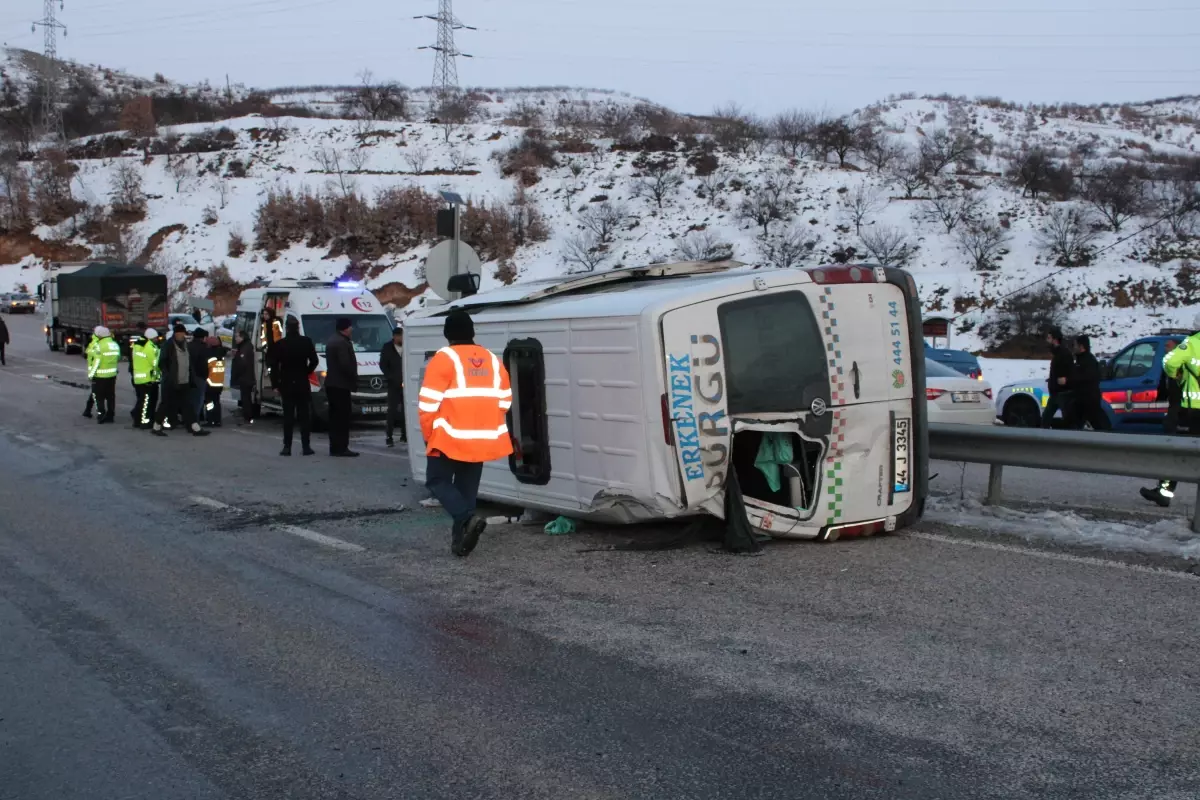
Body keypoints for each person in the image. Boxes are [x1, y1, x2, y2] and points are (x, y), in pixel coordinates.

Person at [419, 309, 513, 557]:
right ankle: (460, 543)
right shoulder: (492, 359)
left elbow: (428, 403)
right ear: (472, 333)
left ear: (447, 334)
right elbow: (505, 400)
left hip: (448, 436)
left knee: (437, 481)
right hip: (482, 438)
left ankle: (465, 519)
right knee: (466, 491)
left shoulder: (444, 358)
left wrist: (429, 435)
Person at [1141, 314, 1200, 507]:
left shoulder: (1191, 344)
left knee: (1178, 452)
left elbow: (1169, 362)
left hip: (1191, 411)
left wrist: (1177, 376)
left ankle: (1164, 492)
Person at [269, 316, 318, 456]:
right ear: (298, 327)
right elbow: (314, 361)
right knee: (304, 417)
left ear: (286, 328)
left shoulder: (281, 344)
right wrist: (306, 372)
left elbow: (274, 366)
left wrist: (275, 384)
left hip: (286, 383)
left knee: (288, 417)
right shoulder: (306, 342)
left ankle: (287, 446)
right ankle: (306, 446)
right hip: (302, 382)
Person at [152, 324, 210, 438]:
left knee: (188, 405)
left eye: (183, 333)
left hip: (184, 381)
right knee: (166, 405)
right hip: (171, 382)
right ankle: (156, 426)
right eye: (180, 333)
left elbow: (188, 363)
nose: (182, 335)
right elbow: (162, 363)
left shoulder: (185, 345)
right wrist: (168, 376)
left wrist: (191, 377)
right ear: (175, 333)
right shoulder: (168, 345)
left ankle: (195, 427)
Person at [324, 317, 358, 457]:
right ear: (345, 328)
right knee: (342, 417)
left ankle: (335, 447)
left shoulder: (333, 340)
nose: (352, 329)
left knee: (334, 418)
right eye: (350, 327)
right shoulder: (342, 343)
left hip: (332, 384)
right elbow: (345, 365)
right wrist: (353, 378)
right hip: (341, 385)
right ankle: (342, 447)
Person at [1071, 334, 1112, 432]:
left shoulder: (1089, 361)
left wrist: (1071, 379)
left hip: (1089, 399)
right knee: (1075, 424)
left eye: (1075, 345)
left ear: (1081, 347)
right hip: (1081, 399)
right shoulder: (1080, 360)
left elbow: (1087, 378)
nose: (1074, 347)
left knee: (1098, 423)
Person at [1042, 326, 1076, 429]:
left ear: (1055, 339)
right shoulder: (1057, 353)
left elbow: (1070, 372)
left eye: (1049, 338)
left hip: (1063, 393)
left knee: (1068, 420)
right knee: (1045, 418)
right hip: (1055, 392)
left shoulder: (1064, 354)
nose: (1047, 341)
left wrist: (1065, 380)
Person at [380, 326, 406, 447]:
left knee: (406, 410)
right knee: (392, 410)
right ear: (395, 337)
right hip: (393, 384)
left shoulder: (407, 346)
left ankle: (404, 435)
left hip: (406, 384)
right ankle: (389, 436)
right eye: (399, 336)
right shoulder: (387, 347)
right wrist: (390, 377)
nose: (401, 338)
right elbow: (383, 365)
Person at [129, 328, 161, 429]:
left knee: (142, 401)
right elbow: (155, 363)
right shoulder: (150, 348)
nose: (157, 339)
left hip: (138, 378)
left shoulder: (137, 346)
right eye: (156, 338)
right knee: (148, 402)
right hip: (148, 378)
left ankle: (137, 420)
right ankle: (145, 422)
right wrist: (159, 375)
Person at [90, 326, 122, 424]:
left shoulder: (98, 345)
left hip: (100, 376)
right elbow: (118, 357)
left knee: (99, 397)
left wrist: (91, 375)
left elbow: (96, 361)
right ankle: (111, 415)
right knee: (110, 397)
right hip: (112, 375)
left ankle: (101, 414)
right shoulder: (114, 344)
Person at [229, 330, 257, 426]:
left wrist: (237, 373)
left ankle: (248, 418)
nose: (235, 339)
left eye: (237, 337)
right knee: (246, 398)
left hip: (245, 377)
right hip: (246, 377)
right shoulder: (244, 346)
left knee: (246, 399)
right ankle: (248, 417)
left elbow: (242, 363)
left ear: (242, 337)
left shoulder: (245, 347)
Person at [204, 334, 228, 427]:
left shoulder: (209, 355)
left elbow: (205, 368)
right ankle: (217, 420)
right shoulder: (221, 355)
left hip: (210, 382)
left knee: (209, 403)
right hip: (218, 383)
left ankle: (210, 420)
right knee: (217, 402)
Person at [188, 328, 209, 423]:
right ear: (202, 338)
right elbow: (202, 364)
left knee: (191, 399)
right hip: (200, 376)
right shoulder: (202, 348)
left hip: (189, 376)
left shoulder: (188, 346)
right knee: (198, 399)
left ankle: (190, 419)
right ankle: (194, 420)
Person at [82, 333, 100, 418]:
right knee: (96, 394)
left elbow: (86, 354)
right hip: (97, 373)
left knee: (94, 393)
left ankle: (88, 410)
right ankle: (97, 412)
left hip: (93, 373)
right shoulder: (97, 345)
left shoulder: (92, 344)